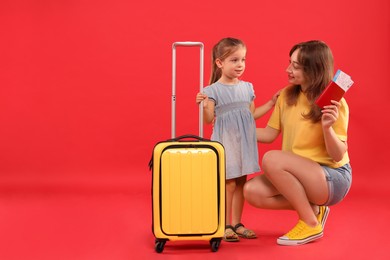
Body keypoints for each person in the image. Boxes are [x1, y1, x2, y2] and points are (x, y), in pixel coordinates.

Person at [244, 40, 352, 246]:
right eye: (289, 63)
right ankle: (314, 210)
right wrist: (237, 133)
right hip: (299, 174)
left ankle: (310, 223)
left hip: (332, 177)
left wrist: (327, 127)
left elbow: (338, 155)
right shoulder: (286, 95)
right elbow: (268, 134)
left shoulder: (335, 103)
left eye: (296, 66)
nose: (288, 70)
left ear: (314, 69)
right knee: (252, 191)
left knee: (271, 158)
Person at [196, 37, 278, 242]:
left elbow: (250, 116)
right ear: (219, 63)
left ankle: (237, 223)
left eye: (243, 59)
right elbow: (208, 120)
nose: (240, 64)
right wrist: (204, 105)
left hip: (244, 142)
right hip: (226, 141)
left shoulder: (247, 87)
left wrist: (271, 103)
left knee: (241, 182)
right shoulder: (212, 90)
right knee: (229, 184)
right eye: (234, 60)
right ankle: (224, 225)